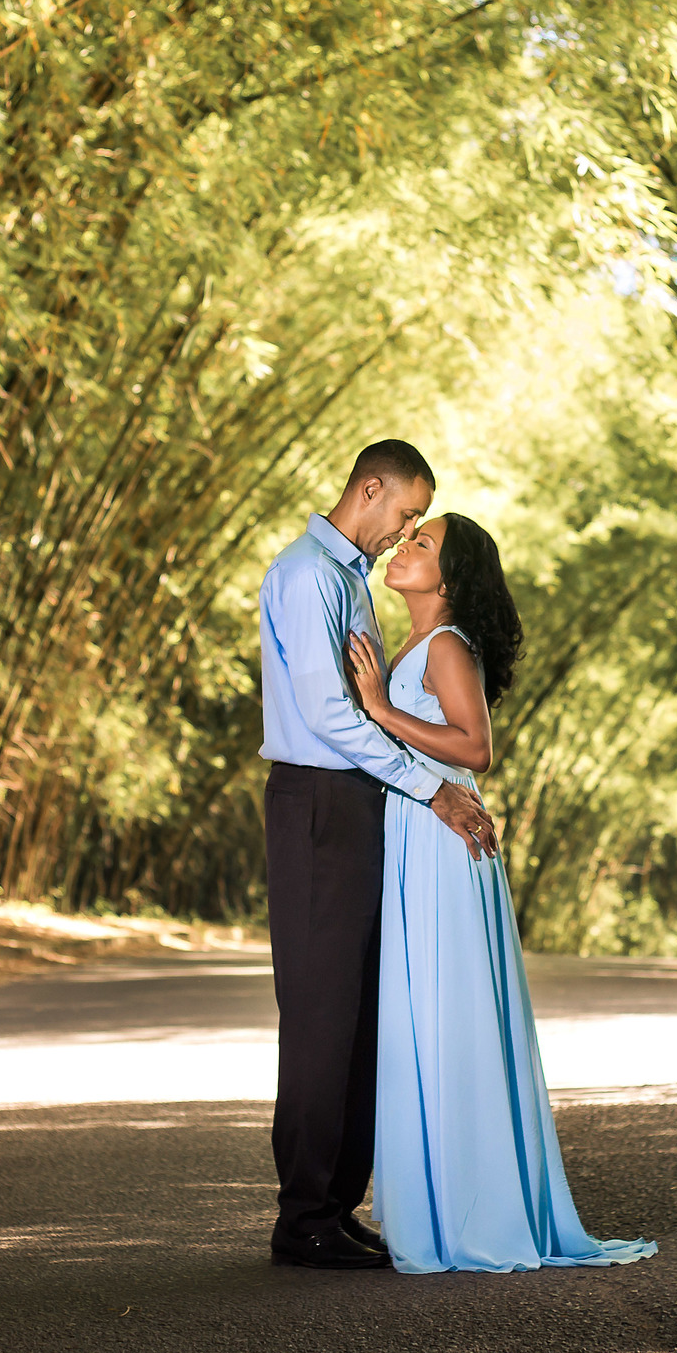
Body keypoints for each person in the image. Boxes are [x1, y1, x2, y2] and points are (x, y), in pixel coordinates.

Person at [347, 513, 658, 1274]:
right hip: (421, 833)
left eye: (422, 544)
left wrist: (381, 709)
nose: (404, 546)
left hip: (447, 840)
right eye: (408, 536)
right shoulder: (418, 644)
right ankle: (448, 1204)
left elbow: (476, 746)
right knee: (427, 1012)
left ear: (448, 580)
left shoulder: (447, 647)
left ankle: (473, 1212)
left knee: (451, 1014)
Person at [259, 441, 497, 1271]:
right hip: (319, 803)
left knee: (361, 1014)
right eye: (405, 515)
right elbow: (330, 714)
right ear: (372, 488)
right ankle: (304, 1218)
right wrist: (429, 789)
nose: (405, 533)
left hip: (359, 803)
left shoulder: (350, 580)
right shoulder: (307, 575)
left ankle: (333, 1203)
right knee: (323, 1016)